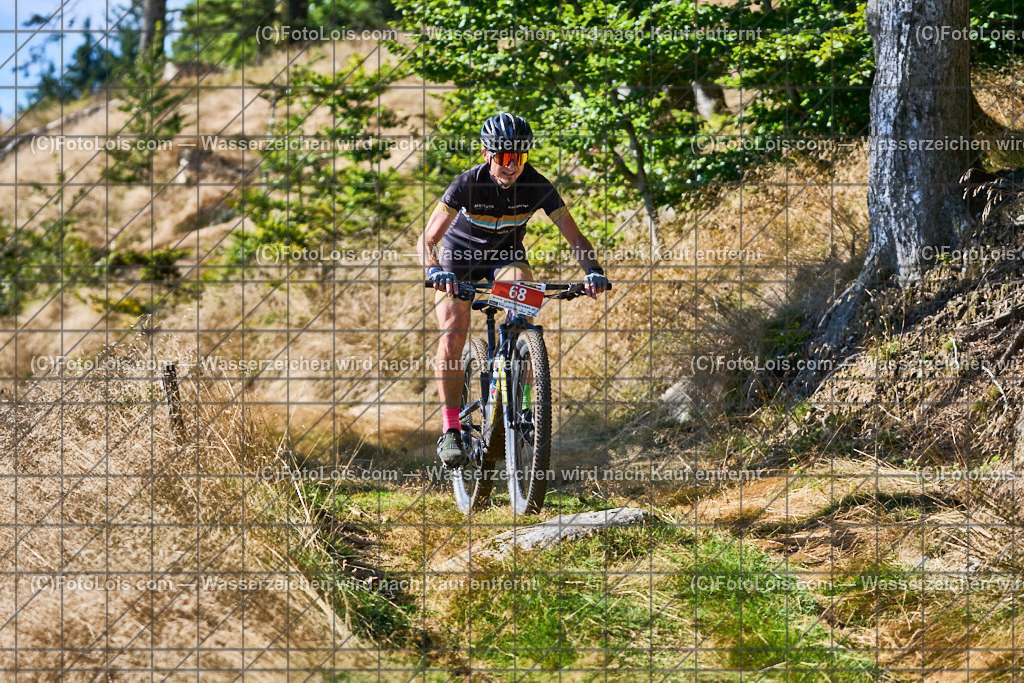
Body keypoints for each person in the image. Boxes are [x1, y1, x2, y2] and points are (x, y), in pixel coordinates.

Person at [417, 112, 609, 468]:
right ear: (486, 153)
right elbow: (428, 238)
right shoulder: (466, 184)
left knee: (522, 308)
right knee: (452, 335)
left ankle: (520, 400)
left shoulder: (538, 185)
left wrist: (593, 271)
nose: (511, 166)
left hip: (505, 258)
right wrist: (433, 270)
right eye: (504, 157)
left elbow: (576, 237)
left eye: (519, 157)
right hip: (457, 261)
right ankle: (451, 428)